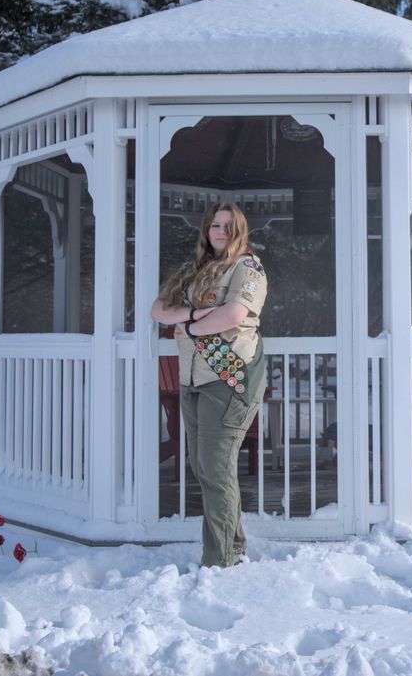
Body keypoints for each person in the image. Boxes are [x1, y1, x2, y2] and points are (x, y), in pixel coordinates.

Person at [151, 202, 268, 568]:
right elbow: (158, 309)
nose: (219, 231)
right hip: (194, 378)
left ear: (240, 232)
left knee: (216, 470)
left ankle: (219, 560)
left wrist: (186, 326)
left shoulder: (248, 268)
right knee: (204, 467)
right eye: (214, 225)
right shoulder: (196, 270)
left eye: (228, 226)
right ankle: (233, 547)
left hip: (228, 379)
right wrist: (194, 314)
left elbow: (234, 313)